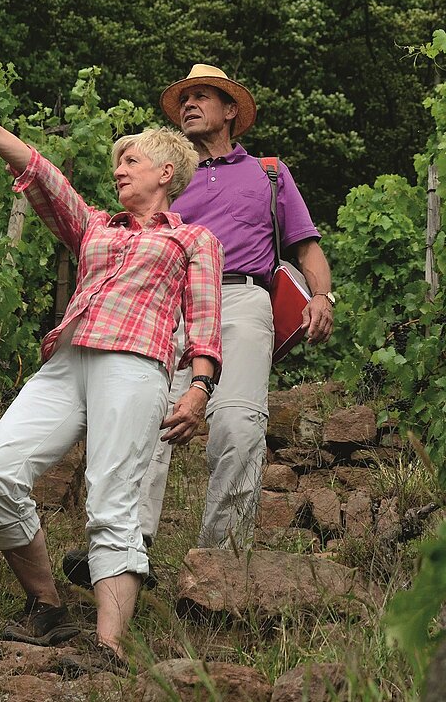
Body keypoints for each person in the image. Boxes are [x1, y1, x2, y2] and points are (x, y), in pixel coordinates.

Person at [0, 67, 222, 669]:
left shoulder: (193, 240)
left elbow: (207, 318)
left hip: (136, 365)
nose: (118, 170)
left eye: (130, 161)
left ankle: (110, 646)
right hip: (68, 359)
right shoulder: (94, 227)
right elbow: (38, 173)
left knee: (113, 502)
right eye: (117, 164)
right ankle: (48, 607)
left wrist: (199, 387)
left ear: (166, 172)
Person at [65, 64, 334, 580]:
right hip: (171, 301)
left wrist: (322, 296)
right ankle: (127, 548)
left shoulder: (270, 173)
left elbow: (306, 247)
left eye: (203, 96)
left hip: (241, 300)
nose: (189, 104)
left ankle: (220, 564)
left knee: (237, 424)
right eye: (184, 98)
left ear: (231, 111)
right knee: (151, 418)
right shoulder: (167, 178)